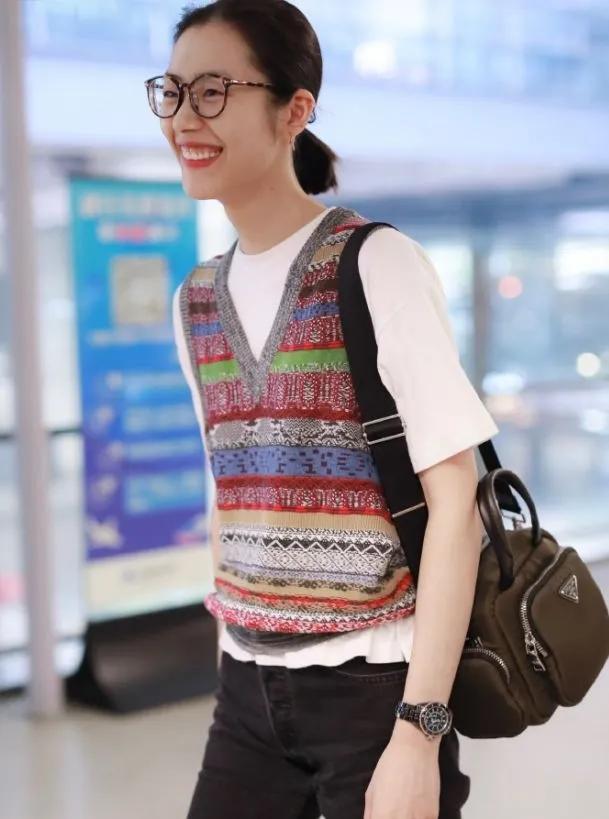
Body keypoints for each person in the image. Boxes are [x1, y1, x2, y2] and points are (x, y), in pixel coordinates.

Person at [146, 2, 499, 817]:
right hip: (245, 692)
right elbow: (230, 497)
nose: (184, 118)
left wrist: (420, 731)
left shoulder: (375, 263)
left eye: (212, 91)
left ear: (294, 110)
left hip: (375, 689)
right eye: (171, 91)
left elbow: (456, 505)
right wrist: (231, 659)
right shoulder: (194, 299)